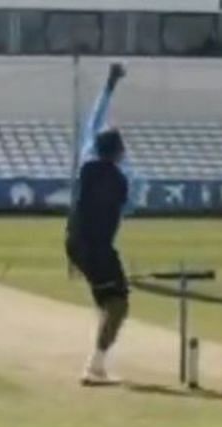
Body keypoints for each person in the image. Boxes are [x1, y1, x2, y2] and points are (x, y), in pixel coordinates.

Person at [65, 63, 134, 386]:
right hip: (96, 247)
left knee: (109, 301)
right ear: (117, 153)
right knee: (118, 303)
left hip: (78, 243)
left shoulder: (88, 161)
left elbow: (95, 123)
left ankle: (98, 360)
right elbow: (129, 206)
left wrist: (109, 86)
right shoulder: (120, 178)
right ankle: (95, 368)